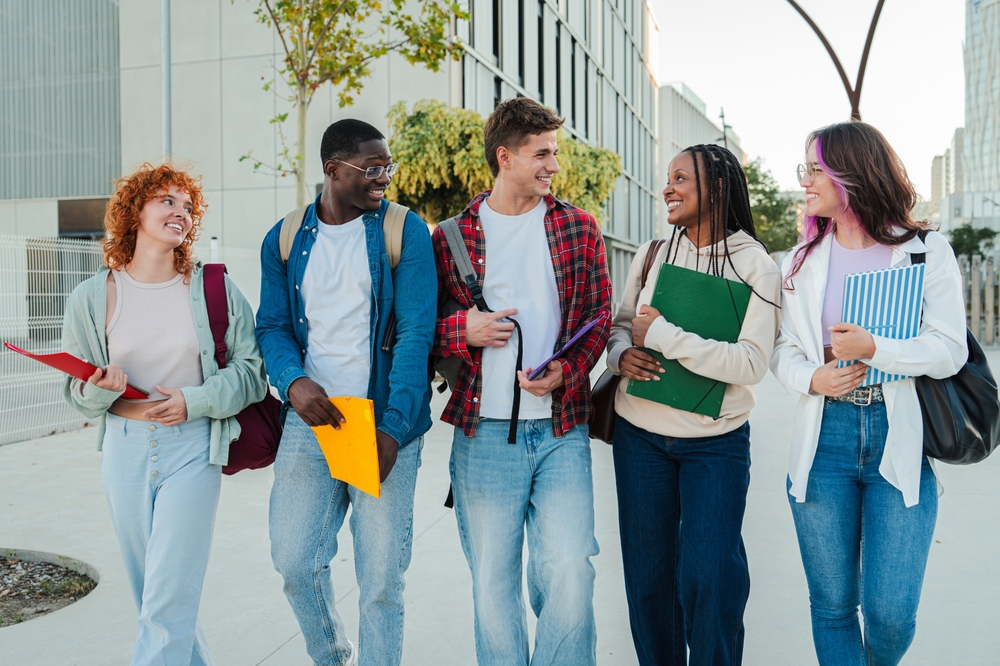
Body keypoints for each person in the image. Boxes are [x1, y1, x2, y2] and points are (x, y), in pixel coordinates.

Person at [770, 122, 967, 666]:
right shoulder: (798, 262)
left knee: (890, 612)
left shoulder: (927, 251)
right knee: (832, 605)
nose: (805, 180)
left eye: (815, 169)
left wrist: (877, 347)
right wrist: (813, 378)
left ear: (850, 175)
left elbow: (949, 349)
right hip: (824, 438)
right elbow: (782, 350)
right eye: (805, 168)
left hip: (895, 436)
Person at [61, 163, 268, 665]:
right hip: (124, 450)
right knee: (152, 597)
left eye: (187, 206)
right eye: (166, 201)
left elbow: (252, 372)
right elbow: (75, 391)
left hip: (194, 448)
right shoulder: (91, 297)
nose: (180, 212)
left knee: (167, 598)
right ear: (135, 213)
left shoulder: (213, 288)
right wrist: (100, 390)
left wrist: (193, 401)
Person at [432, 97, 612, 666]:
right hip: (482, 435)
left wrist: (568, 369)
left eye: (554, 153)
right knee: (493, 583)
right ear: (504, 157)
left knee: (568, 572)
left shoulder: (578, 228)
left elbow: (599, 316)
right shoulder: (450, 237)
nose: (553, 166)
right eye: (541, 154)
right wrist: (464, 328)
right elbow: (417, 328)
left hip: (562, 430)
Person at [256, 118, 437, 666]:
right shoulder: (285, 237)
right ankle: (333, 656)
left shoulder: (404, 231)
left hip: (380, 421)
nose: (384, 177)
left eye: (388, 166)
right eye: (371, 167)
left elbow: (414, 334)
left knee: (380, 577)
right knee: (293, 561)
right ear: (333, 170)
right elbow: (272, 326)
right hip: (311, 422)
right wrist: (293, 382)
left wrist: (393, 429)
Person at [605, 144, 782, 666]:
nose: (669, 187)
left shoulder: (756, 265)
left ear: (717, 188)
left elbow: (751, 364)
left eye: (681, 178)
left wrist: (662, 334)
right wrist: (621, 358)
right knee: (649, 579)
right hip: (639, 438)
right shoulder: (655, 252)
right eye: (668, 177)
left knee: (710, 574)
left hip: (716, 443)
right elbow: (619, 326)